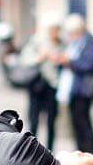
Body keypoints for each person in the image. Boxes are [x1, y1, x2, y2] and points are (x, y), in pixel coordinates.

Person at [56, 14, 93, 153]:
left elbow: (88, 65)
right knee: (77, 124)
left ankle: (89, 152)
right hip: (74, 90)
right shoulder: (76, 43)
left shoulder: (89, 43)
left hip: (83, 90)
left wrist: (70, 62)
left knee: (83, 124)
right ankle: (82, 151)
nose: (70, 35)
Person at [19, 15, 63, 150]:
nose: (54, 32)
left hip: (53, 86)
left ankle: (50, 150)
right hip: (37, 85)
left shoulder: (62, 43)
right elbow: (25, 59)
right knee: (34, 119)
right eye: (51, 29)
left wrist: (60, 60)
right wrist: (40, 57)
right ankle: (32, 149)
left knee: (51, 121)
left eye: (56, 29)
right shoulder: (37, 41)